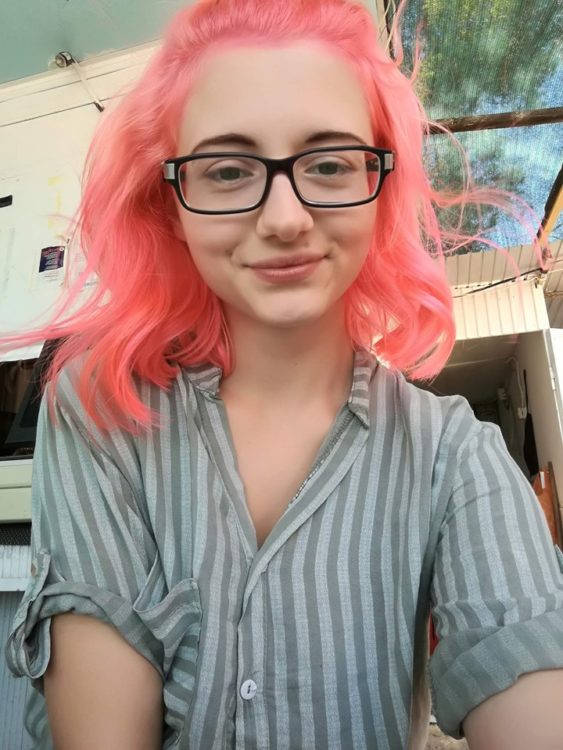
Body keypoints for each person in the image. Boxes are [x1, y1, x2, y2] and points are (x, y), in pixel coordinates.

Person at [4, 0, 563, 748]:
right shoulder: (100, 412)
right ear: (171, 206)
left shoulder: (453, 457)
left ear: (380, 184)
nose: (285, 216)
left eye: (328, 163)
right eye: (228, 169)